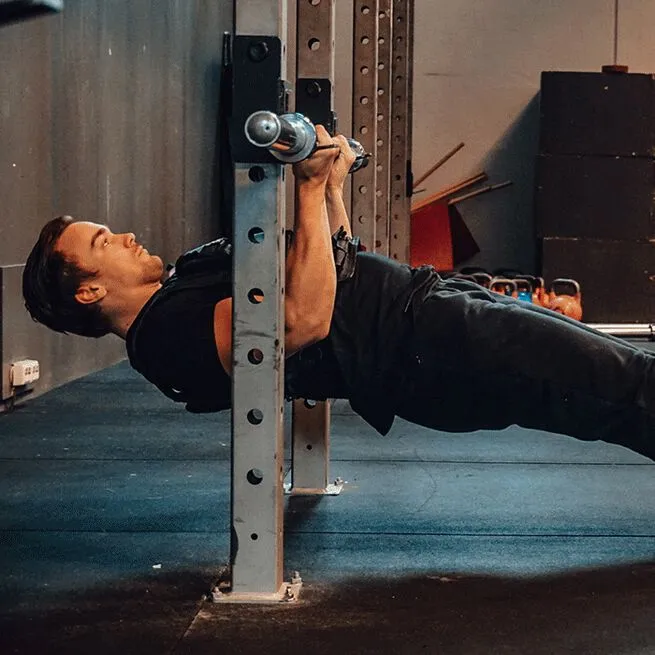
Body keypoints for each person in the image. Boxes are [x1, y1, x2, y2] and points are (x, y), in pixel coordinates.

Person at [22, 126, 655, 462]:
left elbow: (334, 262)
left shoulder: (184, 277)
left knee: (609, 400)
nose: (125, 236)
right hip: (425, 348)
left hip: (429, 310)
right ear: (90, 291)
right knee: (623, 379)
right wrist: (303, 189)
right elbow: (302, 321)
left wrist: (327, 187)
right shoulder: (164, 337)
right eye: (104, 241)